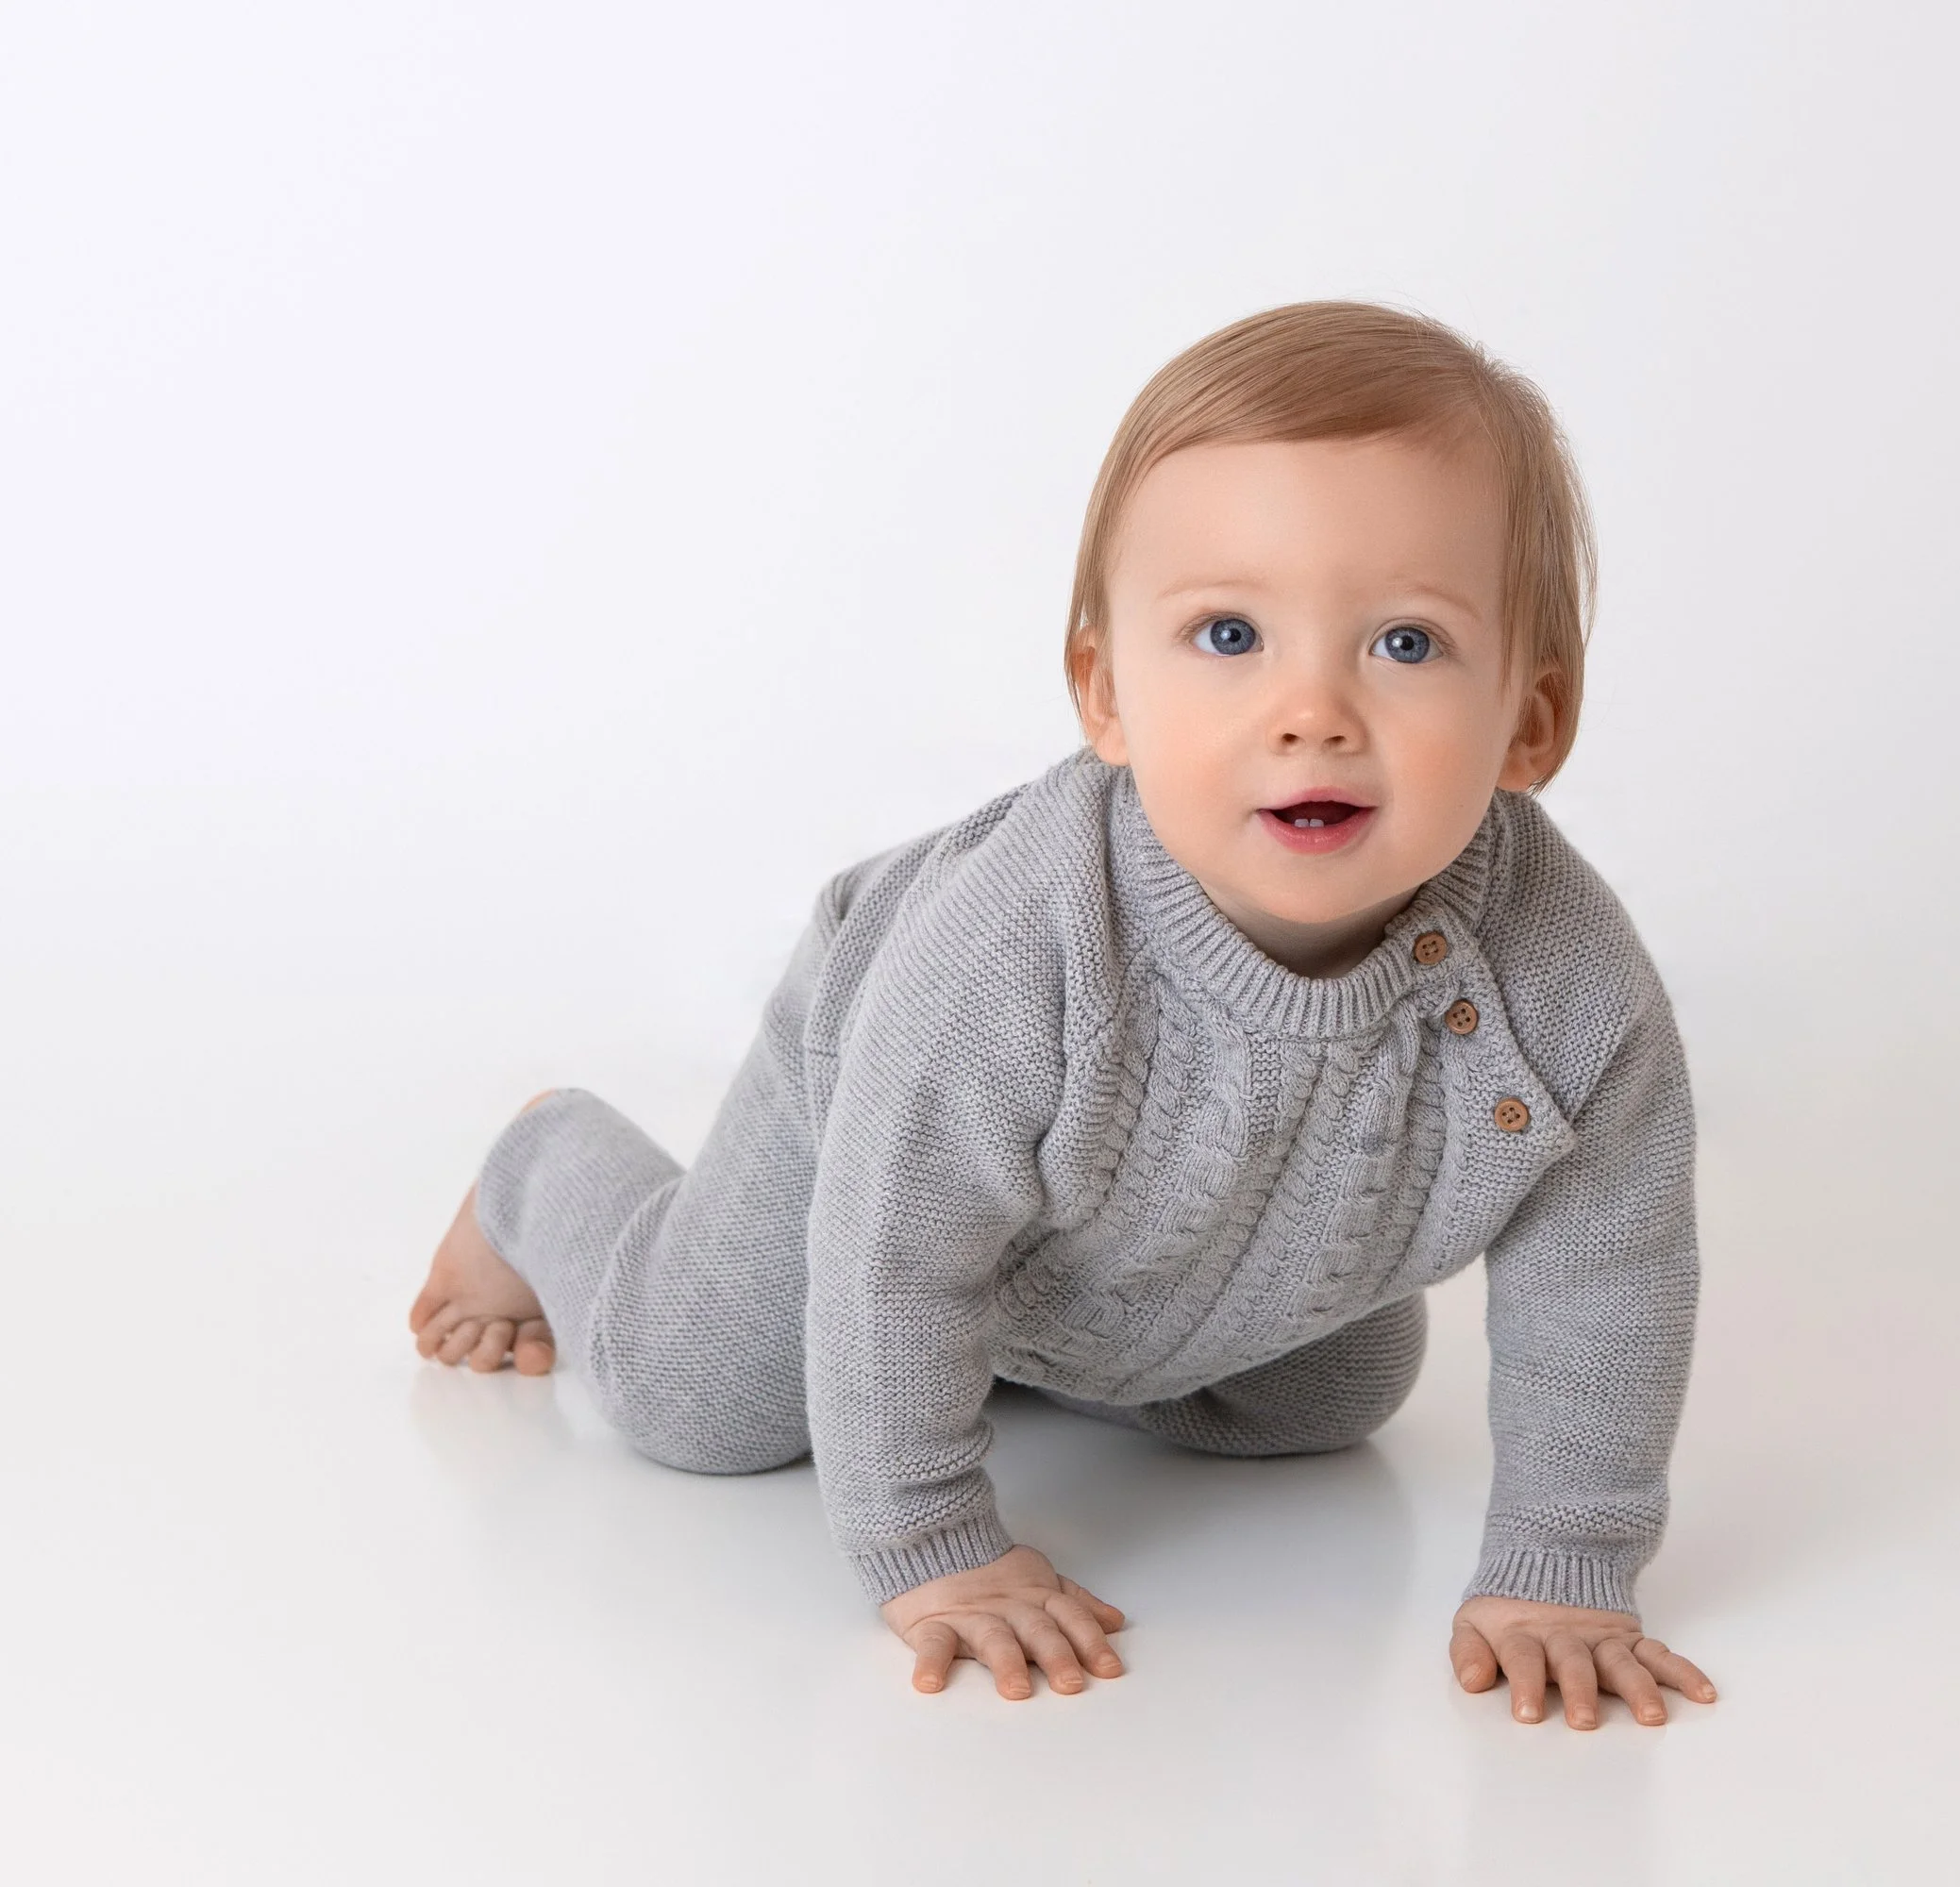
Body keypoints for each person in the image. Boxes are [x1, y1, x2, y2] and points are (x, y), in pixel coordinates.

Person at [409, 301, 1718, 1731]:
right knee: (699, 1403)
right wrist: (933, 1540)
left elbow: (1609, 1275)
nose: (1313, 711)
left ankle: (1028, 1338)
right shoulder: (1010, 957)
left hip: (1166, 1233)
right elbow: (890, 1248)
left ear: (1532, 722)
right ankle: (544, 1166)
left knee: (1329, 1400)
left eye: (1406, 644)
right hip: (869, 1126)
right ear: (1104, 690)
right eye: (1230, 633)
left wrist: (1566, 1565)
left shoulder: (1570, 982)